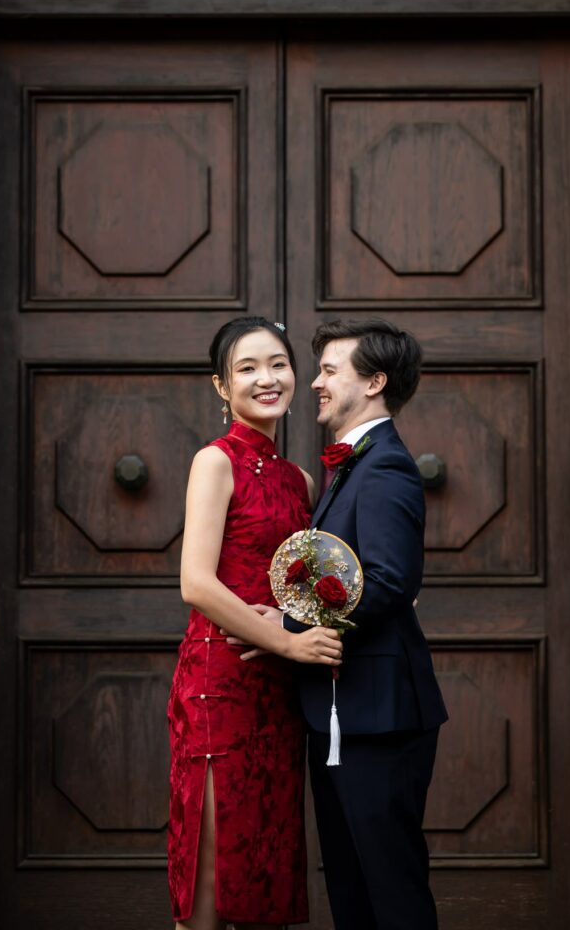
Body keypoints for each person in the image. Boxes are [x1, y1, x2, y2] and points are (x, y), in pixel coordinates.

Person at [235, 317, 448, 930]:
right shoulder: (351, 464)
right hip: (342, 713)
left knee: (391, 891)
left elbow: (387, 582)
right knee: (354, 893)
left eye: (330, 371)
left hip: (379, 717)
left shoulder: (384, 466)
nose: (316, 384)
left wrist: (287, 625)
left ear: (374, 381)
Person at [167, 316, 343, 930]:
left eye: (278, 364)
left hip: (277, 691)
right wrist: (288, 645)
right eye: (247, 369)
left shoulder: (298, 479)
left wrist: (293, 634)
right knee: (214, 865)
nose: (267, 379)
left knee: (266, 862)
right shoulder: (215, 462)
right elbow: (196, 582)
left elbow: (298, 587)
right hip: (220, 681)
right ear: (222, 386)